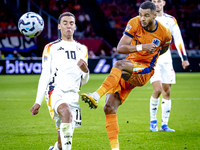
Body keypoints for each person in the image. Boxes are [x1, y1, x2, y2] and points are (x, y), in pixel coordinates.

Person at [81, 1, 172, 150]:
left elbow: (164, 49)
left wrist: (152, 55)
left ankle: (96, 95)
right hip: (129, 68)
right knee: (109, 107)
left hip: (145, 70)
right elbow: (120, 48)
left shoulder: (164, 32)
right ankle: (115, 149)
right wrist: (142, 47)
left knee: (118, 65)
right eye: (140, 14)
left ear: (155, 16)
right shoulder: (134, 23)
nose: (142, 18)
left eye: (146, 16)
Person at [30, 12, 89, 150]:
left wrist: (86, 71)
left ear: (75, 27)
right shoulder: (51, 48)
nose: (69, 25)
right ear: (59, 26)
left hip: (73, 95)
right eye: (65, 23)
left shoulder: (83, 49)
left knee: (62, 144)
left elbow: (84, 80)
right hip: (55, 91)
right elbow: (45, 75)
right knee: (66, 113)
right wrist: (38, 102)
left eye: (71, 23)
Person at [149, 0, 190, 132]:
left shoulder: (171, 20)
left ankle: (164, 124)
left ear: (164, 3)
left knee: (167, 91)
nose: (157, 3)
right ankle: (153, 121)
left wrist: (184, 58)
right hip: (152, 60)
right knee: (157, 89)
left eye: (159, 1)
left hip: (167, 60)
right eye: (154, 1)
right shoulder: (146, 18)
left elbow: (178, 39)